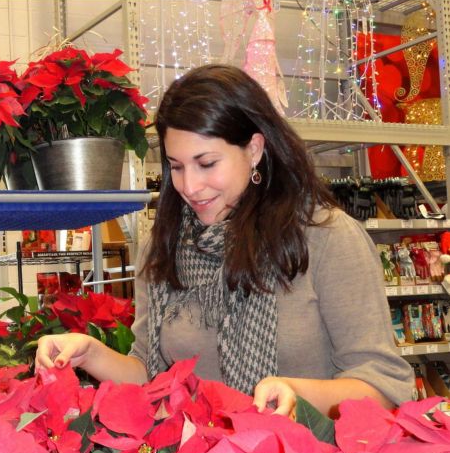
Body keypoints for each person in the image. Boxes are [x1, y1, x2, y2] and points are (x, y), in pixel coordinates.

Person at [36, 64, 414, 418]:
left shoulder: (326, 239)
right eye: (177, 166)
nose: (189, 186)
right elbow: (151, 375)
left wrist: (298, 393)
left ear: (254, 149)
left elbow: (383, 384)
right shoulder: (166, 244)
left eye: (206, 163)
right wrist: (90, 355)